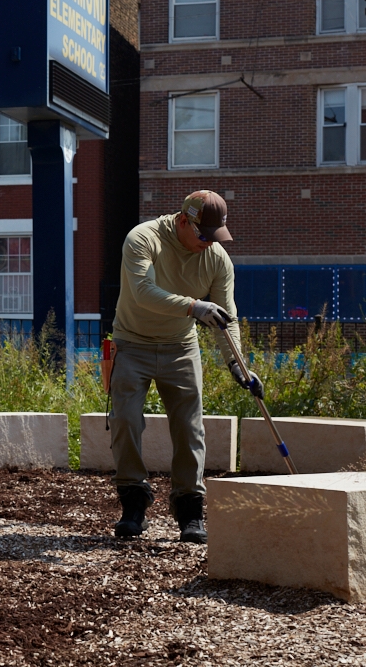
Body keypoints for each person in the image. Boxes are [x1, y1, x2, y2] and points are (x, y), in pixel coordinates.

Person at [109, 190, 263, 543]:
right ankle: (133, 500)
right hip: (132, 343)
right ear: (183, 221)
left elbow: (227, 318)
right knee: (125, 419)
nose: (209, 243)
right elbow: (142, 291)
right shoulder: (143, 239)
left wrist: (237, 365)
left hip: (181, 347)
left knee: (190, 428)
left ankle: (189, 509)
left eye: (216, 237)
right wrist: (195, 307)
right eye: (204, 235)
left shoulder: (217, 259)